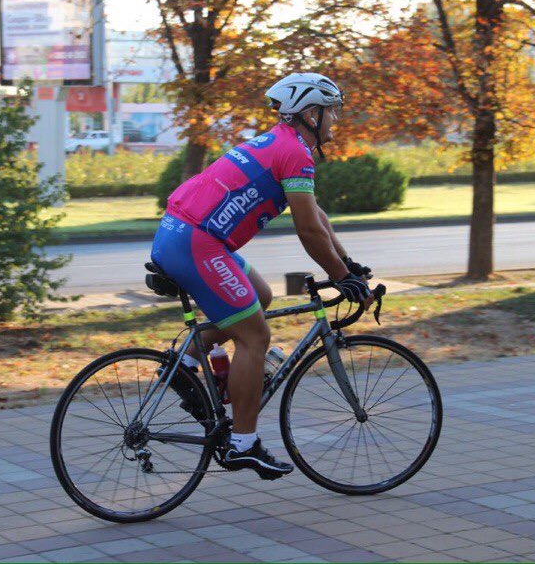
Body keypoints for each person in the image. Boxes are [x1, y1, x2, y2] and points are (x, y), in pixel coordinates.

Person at [150, 73, 375, 479]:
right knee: (255, 337)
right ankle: (243, 444)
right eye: (331, 112)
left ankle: (185, 365)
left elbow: (316, 216)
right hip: (197, 243)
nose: (335, 120)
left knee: (261, 297)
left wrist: (348, 266)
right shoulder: (295, 153)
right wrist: (342, 278)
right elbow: (308, 232)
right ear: (311, 113)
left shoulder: (280, 143)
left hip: (185, 235)